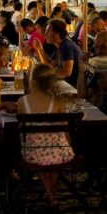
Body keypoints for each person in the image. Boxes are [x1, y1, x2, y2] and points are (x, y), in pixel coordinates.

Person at [18, 63, 75, 203]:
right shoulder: (57, 101)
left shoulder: (22, 101)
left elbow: (21, 132)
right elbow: (64, 129)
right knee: (54, 160)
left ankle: (49, 192)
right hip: (58, 153)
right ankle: (52, 193)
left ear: (33, 80)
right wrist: (70, 145)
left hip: (32, 153)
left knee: (42, 160)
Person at [32, 18, 81, 88]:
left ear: (56, 34)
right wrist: (40, 49)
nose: (44, 34)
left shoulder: (67, 46)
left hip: (73, 87)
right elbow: (50, 64)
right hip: (65, 83)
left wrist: (45, 74)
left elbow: (66, 72)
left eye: (47, 31)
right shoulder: (58, 45)